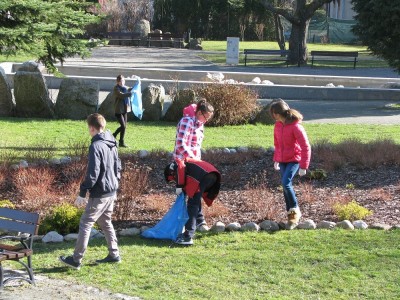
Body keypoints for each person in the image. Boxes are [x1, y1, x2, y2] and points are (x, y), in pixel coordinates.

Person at [60, 113, 121, 270]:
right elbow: (118, 166)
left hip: (100, 193)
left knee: (86, 223)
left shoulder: (96, 146)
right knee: (105, 222)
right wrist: (115, 182)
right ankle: (114, 254)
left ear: (92, 128)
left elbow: (92, 173)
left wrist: (82, 193)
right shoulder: (112, 141)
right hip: (111, 191)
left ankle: (76, 260)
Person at [269, 99, 311, 230]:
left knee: (286, 183)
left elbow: (306, 146)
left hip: (294, 160)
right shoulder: (277, 126)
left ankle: (295, 212)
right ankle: (291, 217)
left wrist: (303, 166)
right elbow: (277, 144)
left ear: (276, 113)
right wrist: (276, 159)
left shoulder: (296, 127)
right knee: (285, 186)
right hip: (282, 161)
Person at [164, 158, 221, 245]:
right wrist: (181, 188)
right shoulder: (187, 166)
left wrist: (179, 186)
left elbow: (180, 168)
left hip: (203, 175)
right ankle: (199, 222)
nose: (174, 181)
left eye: (173, 180)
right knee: (195, 200)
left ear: (170, 172)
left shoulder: (175, 165)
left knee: (192, 204)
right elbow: (186, 178)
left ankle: (188, 236)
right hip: (213, 175)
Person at [113, 75, 132, 148]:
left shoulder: (125, 87)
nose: (122, 82)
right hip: (118, 110)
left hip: (125, 109)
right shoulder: (116, 88)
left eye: (123, 81)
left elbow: (130, 89)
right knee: (123, 126)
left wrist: (136, 87)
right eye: (120, 81)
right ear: (117, 82)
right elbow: (121, 95)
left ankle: (121, 141)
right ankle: (114, 135)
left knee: (124, 127)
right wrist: (130, 94)